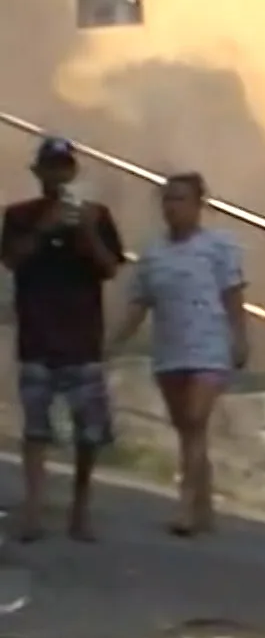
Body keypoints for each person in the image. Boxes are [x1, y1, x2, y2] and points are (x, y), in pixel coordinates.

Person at [0, 137, 125, 542]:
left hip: (82, 338)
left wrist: (86, 232)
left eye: (63, 168)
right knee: (36, 429)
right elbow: (11, 259)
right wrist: (45, 227)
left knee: (88, 434)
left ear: (73, 172)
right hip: (37, 337)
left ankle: (80, 510)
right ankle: (34, 509)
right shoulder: (19, 216)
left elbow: (109, 269)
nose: (57, 175)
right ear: (38, 173)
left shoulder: (96, 215)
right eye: (50, 168)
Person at [110, 173, 248, 538]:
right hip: (170, 348)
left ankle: (185, 505)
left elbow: (233, 295)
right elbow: (140, 303)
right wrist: (116, 341)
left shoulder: (219, 247)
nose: (173, 207)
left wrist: (240, 338)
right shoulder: (153, 253)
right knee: (187, 428)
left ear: (199, 205)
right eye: (168, 200)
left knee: (195, 417)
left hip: (209, 345)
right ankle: (204, 503)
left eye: (181, 199)